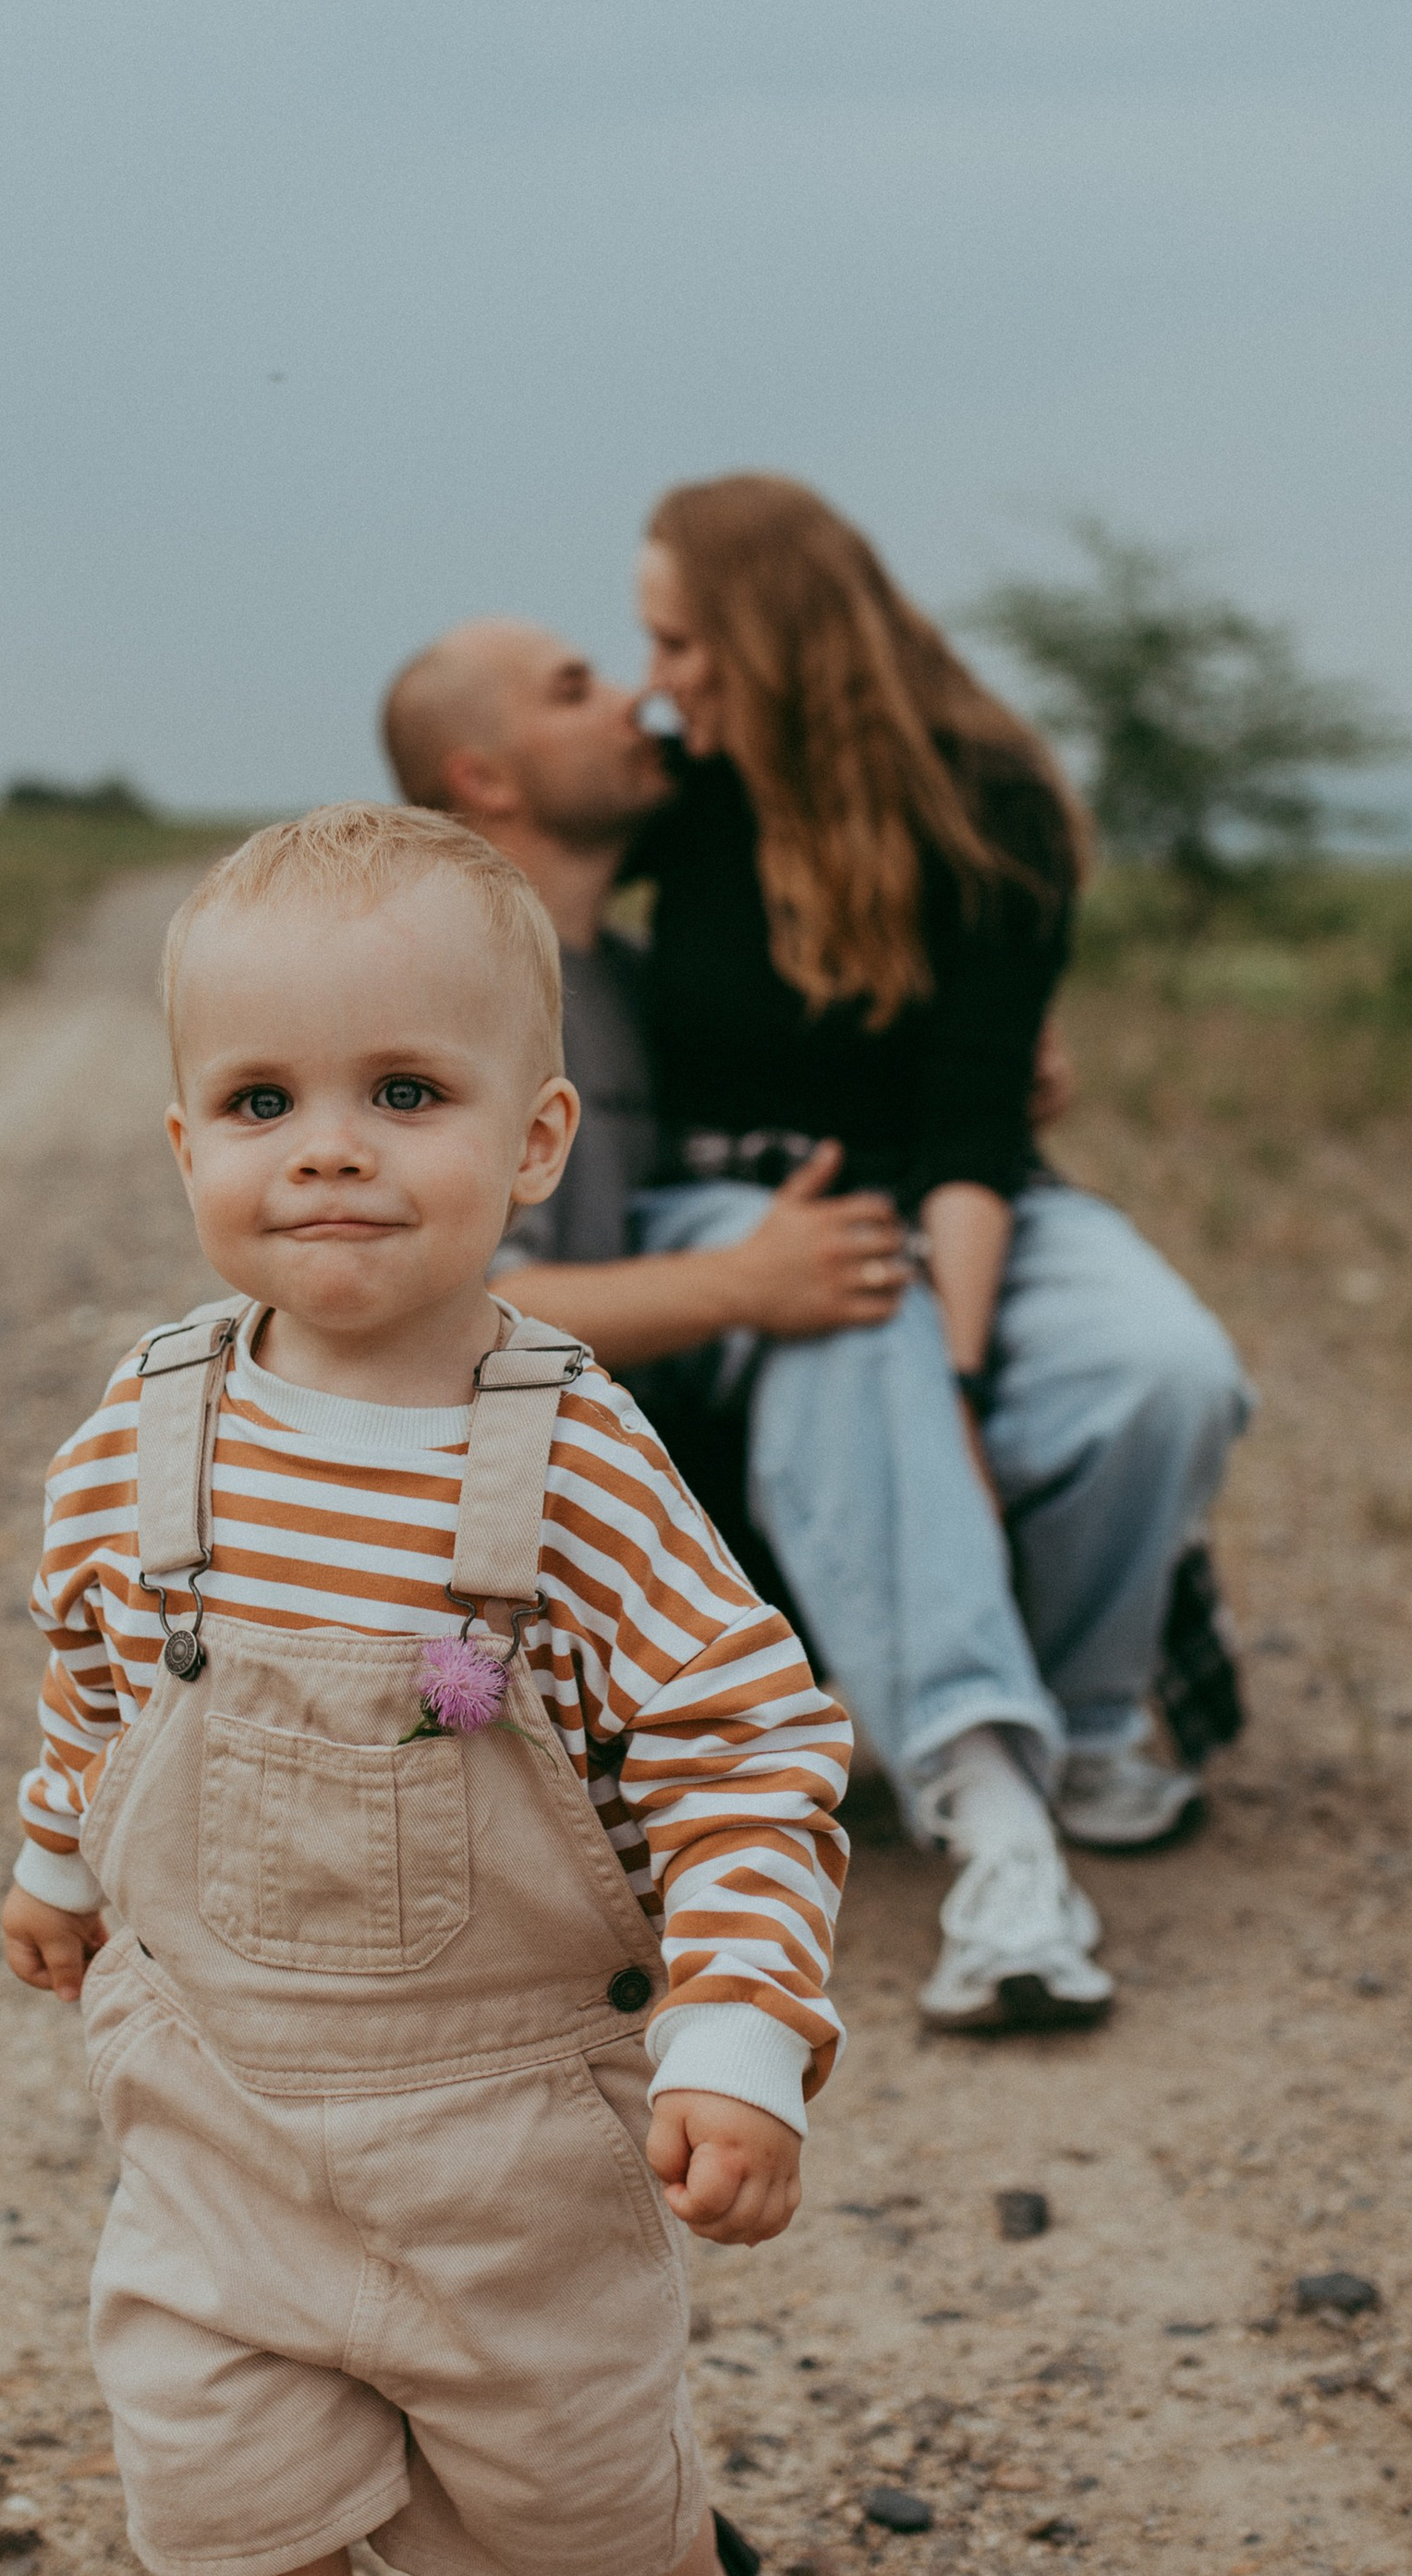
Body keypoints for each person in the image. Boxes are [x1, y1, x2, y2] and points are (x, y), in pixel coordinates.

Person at [0, 806, 845, 2576]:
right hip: (210, 2088)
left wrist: (736, 2025)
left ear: (536, 1137)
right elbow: (96, 1673)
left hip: (504, 2128)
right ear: (182, 1141)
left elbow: (747, 1740)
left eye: (404, 1094)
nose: (328, 1150)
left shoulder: (567, 1461)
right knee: (222, 2500)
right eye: (261, 1100)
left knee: (566, 2488)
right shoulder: (147, 1418)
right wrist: (58, 1859)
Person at [383, 493, 1250, 2037]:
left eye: (669, 642)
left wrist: (967, 1354)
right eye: (610, 667)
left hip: (943, 1198)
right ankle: (995, 1807)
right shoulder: (605, 861)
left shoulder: (961, 806)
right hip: (737, 1233)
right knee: (843, 1292)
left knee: (1160, 1369)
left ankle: (1088, 1713)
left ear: (768, 641)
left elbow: (972, 1110)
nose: (651, 688)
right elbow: (487, 843)